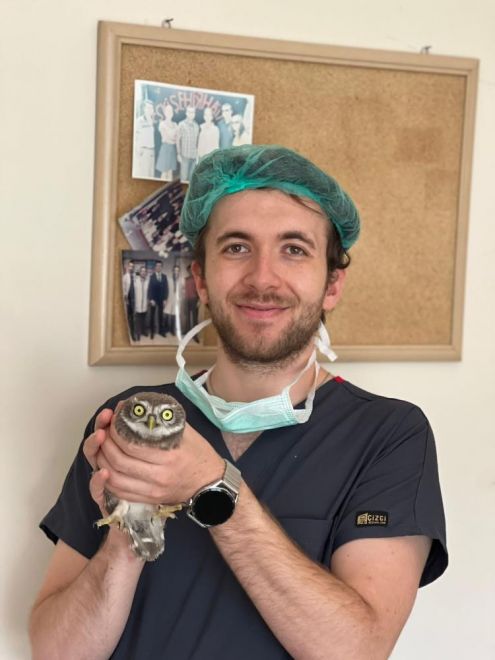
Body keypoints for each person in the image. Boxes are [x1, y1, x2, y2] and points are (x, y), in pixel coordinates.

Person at [30, 145, 448, 660]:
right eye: (236, 248)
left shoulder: (388, 436)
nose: (262, 278)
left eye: (293, 249)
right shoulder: (127, 421)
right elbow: (57, 652)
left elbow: (356, 651)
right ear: (201, 280)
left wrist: (212, 485)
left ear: (332, 284)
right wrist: (128, 529)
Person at [133, 99, 156, 179]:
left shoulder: (154, 121)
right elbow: (136, 136)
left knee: (151, 174)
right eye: (148, 108)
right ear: (144, 109)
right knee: (144, 174)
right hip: (143, 151)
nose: (150, 110)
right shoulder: (139, 121)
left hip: (152, 151)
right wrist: (137, 149)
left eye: (151, 108)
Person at [155, 102, 178, 180]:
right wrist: (173, 138)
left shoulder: (175, 124)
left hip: (172, 149)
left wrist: (172, 138)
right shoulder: (162, 124)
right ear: (165, 113)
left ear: (172, 113)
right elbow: (165, 138)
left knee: (170, 172)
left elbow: (176, 139)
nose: (169, 113)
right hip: (165, 149)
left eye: (171, 111)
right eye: (167, 111)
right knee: (164, 172)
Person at [176, 106, 200, 182]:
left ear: (194, 114)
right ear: (186, 113)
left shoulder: (196, 126)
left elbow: (197, 142)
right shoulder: (181, 124)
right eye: (189, 112)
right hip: (185, 157)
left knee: (191, 179)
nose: (191, 114)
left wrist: (197, 156)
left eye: (193, 112)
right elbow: (177, 140)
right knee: (183, 178)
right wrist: (178, 154)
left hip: (193, 157)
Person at [147, 260, 169, 338]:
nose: (158, 267)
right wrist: (151, 299)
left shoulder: (164, 276)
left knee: (161, 316)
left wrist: (165, 299)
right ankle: (152, 332)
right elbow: (149, 289)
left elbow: (166, 288)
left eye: (160, 266)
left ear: (161, 267)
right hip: (153, 299)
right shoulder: (151, 277)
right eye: (157, 266)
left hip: (161, 300)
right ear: (155, 267)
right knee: (152, 316)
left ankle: (161, 331)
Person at [133, 265, 150, 341]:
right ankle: (138, 334)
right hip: (138, 304)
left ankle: (143, 331)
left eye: (144, 271)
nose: (143, 272)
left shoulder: (147, 282)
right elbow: (133, 293)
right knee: (138, 321)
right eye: (142, 271)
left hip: (145, 304)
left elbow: (149, 293)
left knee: (144, 319)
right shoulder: (136, 281)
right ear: (140, 272)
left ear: (146, 273)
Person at [121, 259, 136, 341]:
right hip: (128, 301)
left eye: (132, 266)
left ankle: (133, 334)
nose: (131, 268)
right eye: (130, 266)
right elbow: (123, 289)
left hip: (134, 300)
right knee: (129, 318)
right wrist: (126, 298)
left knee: (134, 318)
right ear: (128, 267)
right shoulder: (125, 277)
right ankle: (130, 334)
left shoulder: (135, 276)